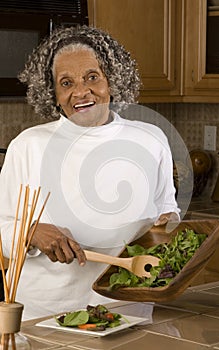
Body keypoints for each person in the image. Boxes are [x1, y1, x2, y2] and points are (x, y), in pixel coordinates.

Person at [0, 25, 180, 320]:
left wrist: (168, 223)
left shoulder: (151, 138)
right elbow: (1, 225)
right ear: (53, 93)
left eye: (92, 77)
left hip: (127, 309)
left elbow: (166, 209)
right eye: (66, 83)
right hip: (46, 313)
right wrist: (31, 232)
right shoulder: (29, 146)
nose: (81, 92)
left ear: (112, 79)